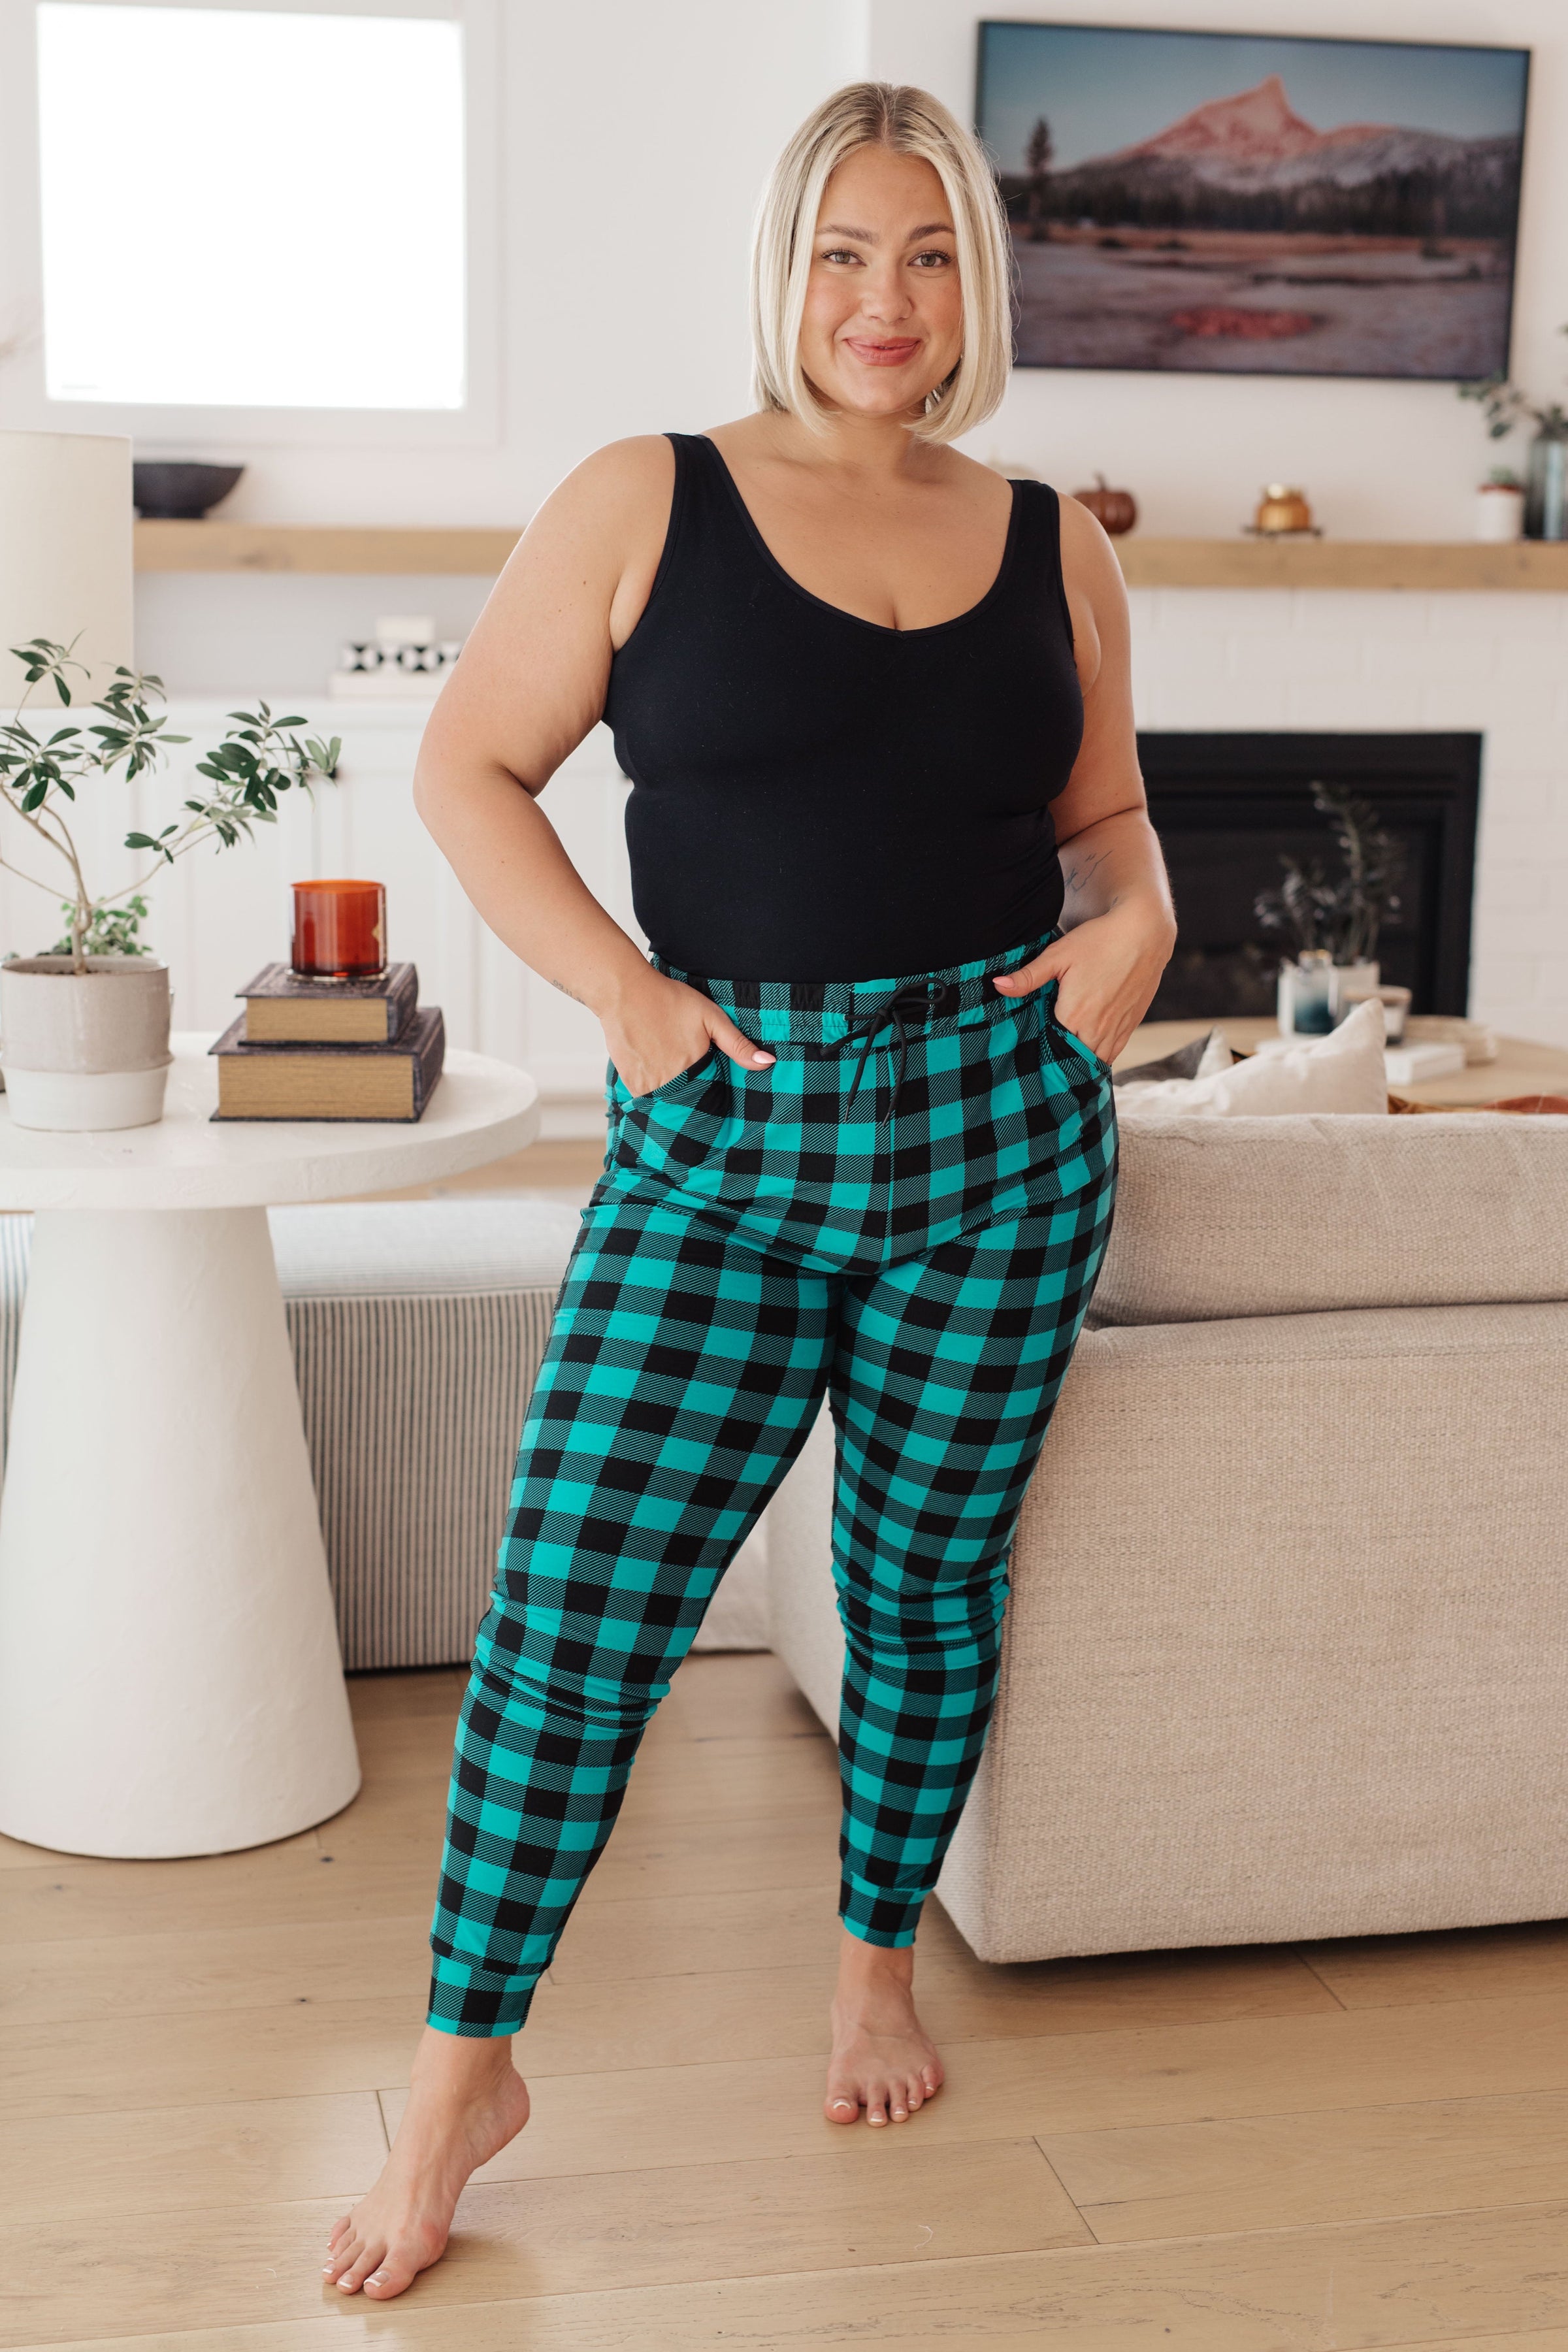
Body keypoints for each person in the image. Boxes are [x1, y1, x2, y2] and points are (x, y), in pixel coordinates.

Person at [325, 79, 1175, 2300]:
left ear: (977, 285)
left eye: (930, 257)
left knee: (923, 1586)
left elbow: (1108, 826)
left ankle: (874, 1971)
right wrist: (620, 993)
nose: (886, 302)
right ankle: (459, 2077)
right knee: (574, 1613)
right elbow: (471, 764)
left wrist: (1149, 924)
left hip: (998, 1135)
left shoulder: (1054, 541)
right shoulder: (647, 496)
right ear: (786, 272)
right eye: (844, 254)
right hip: (726, 1122)